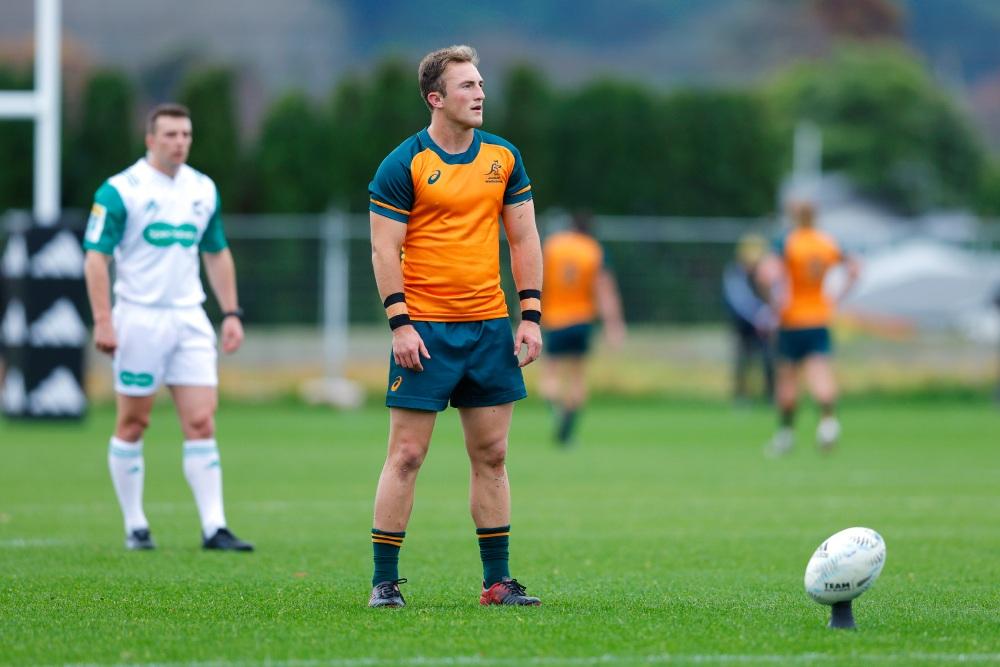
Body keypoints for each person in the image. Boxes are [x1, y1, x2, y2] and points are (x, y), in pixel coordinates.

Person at [366, 45, 543, 608]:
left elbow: (524, 239)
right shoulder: (403, 163)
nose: (480, 93)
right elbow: (383, 247)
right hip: (425, 332)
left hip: (490, 328)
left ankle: (497, 583)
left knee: (492, 456)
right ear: (435, 99)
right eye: (467, 85)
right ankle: (384, 582)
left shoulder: (504, 157)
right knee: (406, 456)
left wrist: (531, 315)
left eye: (481, 83)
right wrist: (400, 324)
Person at [82, 103, 253, 552]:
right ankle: (135, 524)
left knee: (201, 420)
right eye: (171, 134)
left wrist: (230, 313)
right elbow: (96, 256)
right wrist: (104, 319)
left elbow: (215, 252)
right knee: (134, 421)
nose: (180, 142)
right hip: (138, 317)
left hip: (189, 318)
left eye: (186, 134)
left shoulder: (202, 189)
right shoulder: (121, 190)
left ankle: (214, 526)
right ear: (150, 139)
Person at [757, 199, 859, 457]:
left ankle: (786, 435)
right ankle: (827, 424)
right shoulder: (827, 242)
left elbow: (766, 274)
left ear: (793, 216)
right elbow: (855, 268)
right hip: (819, 317)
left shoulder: (787, 242)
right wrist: (836, 298)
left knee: (788, 378)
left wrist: (773, 303)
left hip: (792, 318)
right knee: (820, 374)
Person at [537, 211, 625, 445]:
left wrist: (527, 315)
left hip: (554, 319)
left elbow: (537, 279)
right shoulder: (594, 251)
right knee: (577, 377)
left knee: (550, 375)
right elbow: (604, 290)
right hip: (582, 319)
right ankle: (569, 427)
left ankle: (556, 414)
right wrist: (613, 325)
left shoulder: (553, 246)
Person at [721, 233, 776, 404]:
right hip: (743, 325)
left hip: (766, 326)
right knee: (743, 361)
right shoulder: (735, 273)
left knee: (769, 359)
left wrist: (768, 316)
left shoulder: (767, 272)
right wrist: (758, 317)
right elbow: (739, 299)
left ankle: (770, 395)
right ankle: (741, 396)